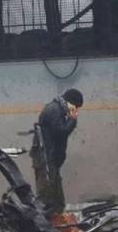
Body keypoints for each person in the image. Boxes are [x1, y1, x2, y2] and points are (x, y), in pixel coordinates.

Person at [30, 88, 83, 216]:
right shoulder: (54, 110)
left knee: (56, 198)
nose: (75, 110)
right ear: (70, 102)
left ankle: (57, 220)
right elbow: (61, 132)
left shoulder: (58, 109)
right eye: (75, 107)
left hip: (50, 157)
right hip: (46, 158)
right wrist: (72, 120)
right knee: (49, 196)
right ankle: (48, 224)